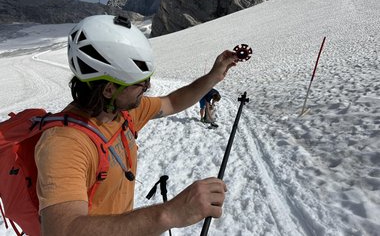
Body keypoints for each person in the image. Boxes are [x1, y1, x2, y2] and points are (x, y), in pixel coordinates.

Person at [35, 15, 239, 235]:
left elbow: (172, 102)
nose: (147, 87)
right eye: (139, 83)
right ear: (109, 89)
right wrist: (169, 214)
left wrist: (213, 76)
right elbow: (62, 230)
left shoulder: (123, 112)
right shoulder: (65, 144)